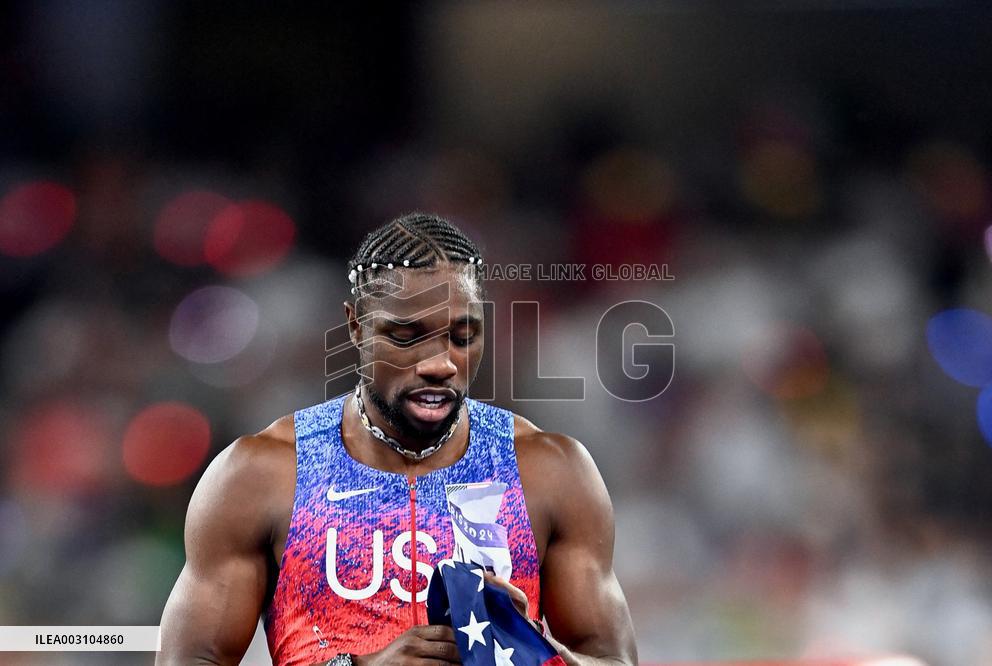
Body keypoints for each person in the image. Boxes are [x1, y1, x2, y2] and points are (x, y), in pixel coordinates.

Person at [157, 213, 638, 666]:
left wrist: (531, 651)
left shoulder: (550, 469)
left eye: (462, 336)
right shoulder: (262, 473)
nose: (440, 364)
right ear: (355, 328)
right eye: (407, 336)